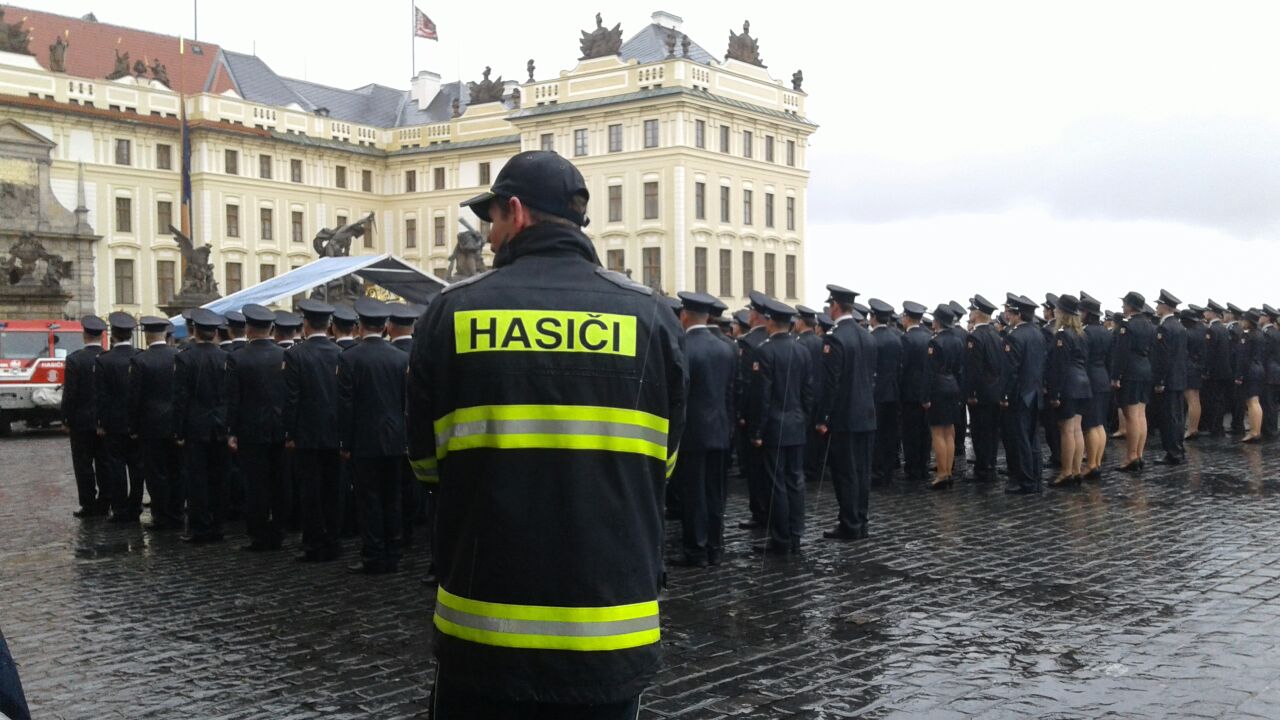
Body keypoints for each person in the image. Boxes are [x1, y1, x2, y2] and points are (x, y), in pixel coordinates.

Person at [406, 151, 686, 717]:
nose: (488, 237)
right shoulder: (651, 318)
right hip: (609, 627)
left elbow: (424, 463)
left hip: (484, 627)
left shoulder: (452, 312)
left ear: (516, 212)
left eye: (491, 220)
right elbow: (666, 461)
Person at [338, 298, 410, 574]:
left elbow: (346, 405)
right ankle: (394, 551)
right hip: (395, 439)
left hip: (364, 440)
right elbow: (406, 403)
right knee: (393, 497)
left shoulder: (349, 358)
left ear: (360, 326)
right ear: (385, 326)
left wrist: (345, 442)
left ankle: (373, 554)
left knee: (368, 500)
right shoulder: (400, 358)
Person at [671, 291, 736, 567]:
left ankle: (696, 549)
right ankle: (715, 547)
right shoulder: (725, 347)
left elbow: (679, 394)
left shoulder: (683, 347)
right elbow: (731, 392)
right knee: (714, 493)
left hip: (693, 432)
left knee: (694, 493)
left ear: (684, 315)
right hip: (719, 429)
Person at [746, 297, 812, 554]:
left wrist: (757, 430)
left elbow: (762, 396)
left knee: (777, 484)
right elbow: (808, 392)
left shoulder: (764, 351)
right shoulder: (802, 350)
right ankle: (795, 533)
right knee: (795, 480)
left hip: (774, 426)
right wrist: (803, 418)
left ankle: (781, 537)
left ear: (770, 322)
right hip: (796, 424)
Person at [284, 299, 344, 563]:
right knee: (333, 490)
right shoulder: (341, 353)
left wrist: (290, 433)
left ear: (306, 324)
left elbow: (292, 398)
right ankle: (333, 540)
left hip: (307, 433)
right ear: (329, 325)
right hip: (335, 432)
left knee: (310, 491)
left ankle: (313, 543)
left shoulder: (295, 354)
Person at [226, 304, 288, 552]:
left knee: (255, 485)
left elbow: (233, 399)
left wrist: (231, 431)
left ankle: (258, 534)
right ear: (271, 328)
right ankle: (279, 530)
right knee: (279, 482)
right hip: (280, 428)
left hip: (250, 430)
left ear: (248, 329)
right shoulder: (285, 355)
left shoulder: (237, 357)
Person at [816, 285, 877, 540]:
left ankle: (849, 523)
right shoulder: (867, 336)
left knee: (845, 472)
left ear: (835, 306)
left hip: (844, 416)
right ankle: (860, 520)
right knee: (862, 471)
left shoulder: (835, 338)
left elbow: (831, 383)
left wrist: (823, 417)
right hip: (866, 414)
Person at [173, 308, 229, 543]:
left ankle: (200, 528)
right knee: (219, 479)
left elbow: (180, 397)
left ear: (193, 330)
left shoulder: (184, 357)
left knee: (197, 480)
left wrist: (178, 430)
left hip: (195, 426)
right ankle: (218, 525)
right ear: (215, 332)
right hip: (221, 426)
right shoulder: (226, 357)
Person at [128, 316, 181, 531]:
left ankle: (161, 515)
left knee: (156, 472)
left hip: (150, 425)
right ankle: (177, 512)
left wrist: (133, 426)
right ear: (165, 334)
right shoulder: (179, 356)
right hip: (176, 422)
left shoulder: (141, 360)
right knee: (177, 470)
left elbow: (135, 397)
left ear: (147, 335)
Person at [95, 312, 141, 523]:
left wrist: (101, 422)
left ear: (112, 334)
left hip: (114, 422)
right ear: (131, 334)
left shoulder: (105, 360)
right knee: (137, 466)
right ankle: (136, 505)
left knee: (116, 466)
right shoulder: (140, 356)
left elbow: (101, 396)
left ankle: (120, 508)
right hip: (137, 422)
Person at [62, 315, 108, 518]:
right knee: (104, 462)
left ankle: (88, 503)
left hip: (81, 421)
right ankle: (105, 501)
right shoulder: (108, 357)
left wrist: (66, 419)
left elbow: (70, 393)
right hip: (105, 420)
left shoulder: (75, 359)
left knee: (83, 465)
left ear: (84, 335)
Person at [1001, 294, 1047, 494]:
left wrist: (1004, 394)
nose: (1007, 317)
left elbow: (1011, 371)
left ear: (1018, 314)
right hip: (1034, 392)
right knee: (1032, 438)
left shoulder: (1014, 336)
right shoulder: (1038, 333)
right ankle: (1036, 477)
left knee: (1021, 438)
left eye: (1010, 313)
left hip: (1020, 394)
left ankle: (1026, 481)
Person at [1046, 295, 1091, 486]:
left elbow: (1059, 367)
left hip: (1068, 386)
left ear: (1062, 313)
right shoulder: (1081, 334)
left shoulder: (1062, 335)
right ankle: (1076, 470)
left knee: (1066, 431)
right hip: (1083, 385)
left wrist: (1054, 393)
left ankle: (1066, 472)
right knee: (1077, 429)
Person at [735, 292, 771, 529]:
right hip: (774, 414)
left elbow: (744, 383)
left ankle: (759, 512)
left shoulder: (747, 343)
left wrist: (742, 414)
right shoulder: (776, 340)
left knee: (755, 468)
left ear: (755, 316)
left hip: (753, 415)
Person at [1111, 292, 1156, 472]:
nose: (1123, 307)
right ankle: (1139, 454)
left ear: (1130, 306)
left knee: (1131, 416)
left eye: (1125, 304)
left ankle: (1131, 456)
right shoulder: (1149, 325)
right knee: (1141, 415)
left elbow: (1121, 353)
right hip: (1145, 369)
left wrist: (1115, 376)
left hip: (1130, 371)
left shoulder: (1127, 325)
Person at [963, 295, 1004, 483]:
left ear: (977, 314)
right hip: (994, 390)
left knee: (980, 432)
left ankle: (982, 469)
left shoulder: (975, 337)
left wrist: (971, 393)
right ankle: (990, 464)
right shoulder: (996, 335)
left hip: (981, 393)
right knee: (992, 432)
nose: (970, 313)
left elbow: (974, 369)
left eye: (972, 310)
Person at [923, 305, 963, 489]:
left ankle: (942, 473)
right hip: (953, 385)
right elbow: (960, 368)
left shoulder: (934, 342)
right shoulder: (958, 340)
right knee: (949, 431)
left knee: (937, 432)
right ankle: (948, 471)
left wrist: (925, 397)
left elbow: (929, 372)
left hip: (938, 388)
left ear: (937, 322)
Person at [1150, 290, 1188, 465]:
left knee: (1168, 417)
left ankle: (1172, 452)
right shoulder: (1179, 326)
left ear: (1165, 306)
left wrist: (1160, 380)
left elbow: (1162, 357)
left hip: (1168, 380)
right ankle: (1178, 448)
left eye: (1159, 304)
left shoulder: (1164, 328)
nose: (1157, 307)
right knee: (1178, 416)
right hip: (1178, 378)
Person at [867, 299, 903, 484]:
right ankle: (888, 469)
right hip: (893, 391)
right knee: (890, 433)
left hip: (876, 392)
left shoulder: (871, 338)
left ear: (873, 317)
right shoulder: (896, 337)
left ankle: (877, 470)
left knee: (876, 434)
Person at [898, 301, 932, 482]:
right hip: (926, 391)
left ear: (907, 317)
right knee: (925, 432)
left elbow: (903, 367)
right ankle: (924, 465)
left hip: (910, 393)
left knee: (910, 433)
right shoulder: (929, 336)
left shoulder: (906, 339)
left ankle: (912, 468)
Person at [1080, 294, 1113, 479]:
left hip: (1090, 378)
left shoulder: (1085, 333)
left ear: (1086, 313)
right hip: (1103, 377)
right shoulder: (1105, 331)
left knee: (1090, 424)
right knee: (1099, 424)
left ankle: (1092, 464)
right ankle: (1097, 461)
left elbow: (1083, 359)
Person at [794, 304, 826, 484]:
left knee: (804, 434)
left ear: (800, 322)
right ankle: (815, 468)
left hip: (803, 395)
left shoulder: (798, 343)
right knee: (816, 436)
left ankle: (806, 468)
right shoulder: (821, 342)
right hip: (819, 394)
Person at [1202, 300, 1233, 437]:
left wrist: (1206, 371)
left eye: (1207, 311)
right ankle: (1218, 427)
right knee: (1220, 400)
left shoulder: (1212, 329)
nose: (1204, 313)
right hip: (1224, 370)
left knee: (1213, 400)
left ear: (1212, 313)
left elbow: (1210, 353)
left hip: (1214, 371)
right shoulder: (1224, 329)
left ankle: (1215, 428)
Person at [1237, 310, 1266, 443]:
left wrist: (1239, 375)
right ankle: (1256, 430)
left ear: (1249, 321)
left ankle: (1254, 431)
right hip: (1258, 368)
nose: (1241, 322)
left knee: (1251, 401)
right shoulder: (1260, 334)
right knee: (1255, 401)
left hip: (1250, 370)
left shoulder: (1248, 336)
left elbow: (1243, 358)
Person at [1181, 307, 1206, 441]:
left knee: (1191, 399)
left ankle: (1191, 429)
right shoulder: (1201, 331)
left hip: (1188, 367)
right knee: (1195, 399)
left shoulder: (1187, 334)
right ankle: (1194, 427)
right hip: (1197, 367)